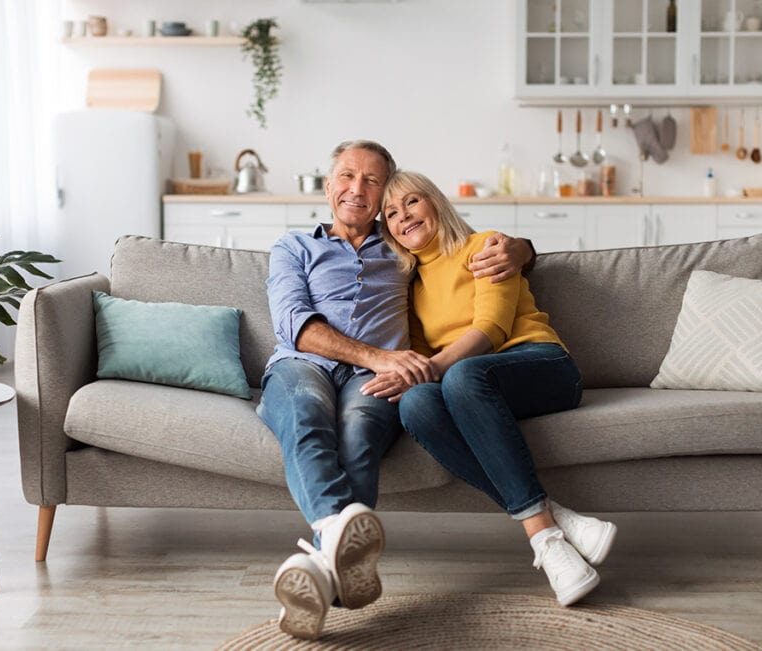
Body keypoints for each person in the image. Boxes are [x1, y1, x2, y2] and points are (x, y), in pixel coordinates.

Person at [258, 140, 534, 639]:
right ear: (328, 186)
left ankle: (320, 575)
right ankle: (334, 537)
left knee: (361, 432)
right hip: (304, 364)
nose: (356, 188)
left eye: (372, 180)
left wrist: (520, 248)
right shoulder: (293, 247)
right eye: (346, 176)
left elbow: (465, 248)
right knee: (305, 412)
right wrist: (380, 355)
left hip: (374, 381)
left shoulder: (406, 250)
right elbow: (295, 324)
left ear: (386, 195)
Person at [363, 170, 617, 607]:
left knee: (459, 376)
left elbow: (491, 330)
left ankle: (543, 537)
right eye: (390, 214)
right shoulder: (412, 289)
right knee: (417, 405)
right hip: (474, 388)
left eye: (412, 202)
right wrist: (410, 377)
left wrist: (433, 369)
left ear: (435, 202)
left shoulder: (486, 247)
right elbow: (422, 357)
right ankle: (552, 526)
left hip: (542, 365)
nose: (403, 216)